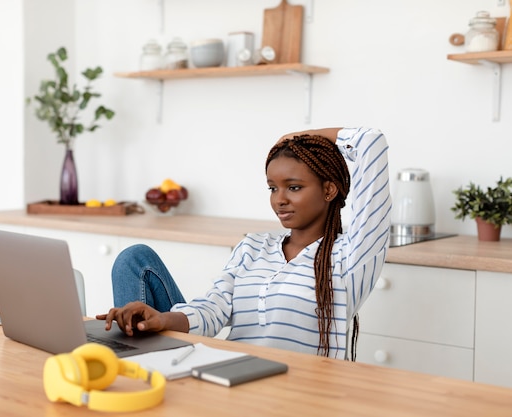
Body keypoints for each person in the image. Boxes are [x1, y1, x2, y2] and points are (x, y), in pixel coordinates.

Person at [96, 127, 391, 359]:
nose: (280, 199)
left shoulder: (351, 256)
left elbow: (371, 142)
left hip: (295, 393)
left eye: (294, 187)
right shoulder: (253, 246)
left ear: (329, 189)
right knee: (133, 259)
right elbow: (213, 310)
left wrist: (293, 139)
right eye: (273, 188)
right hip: (229, 375)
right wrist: (162, 320)